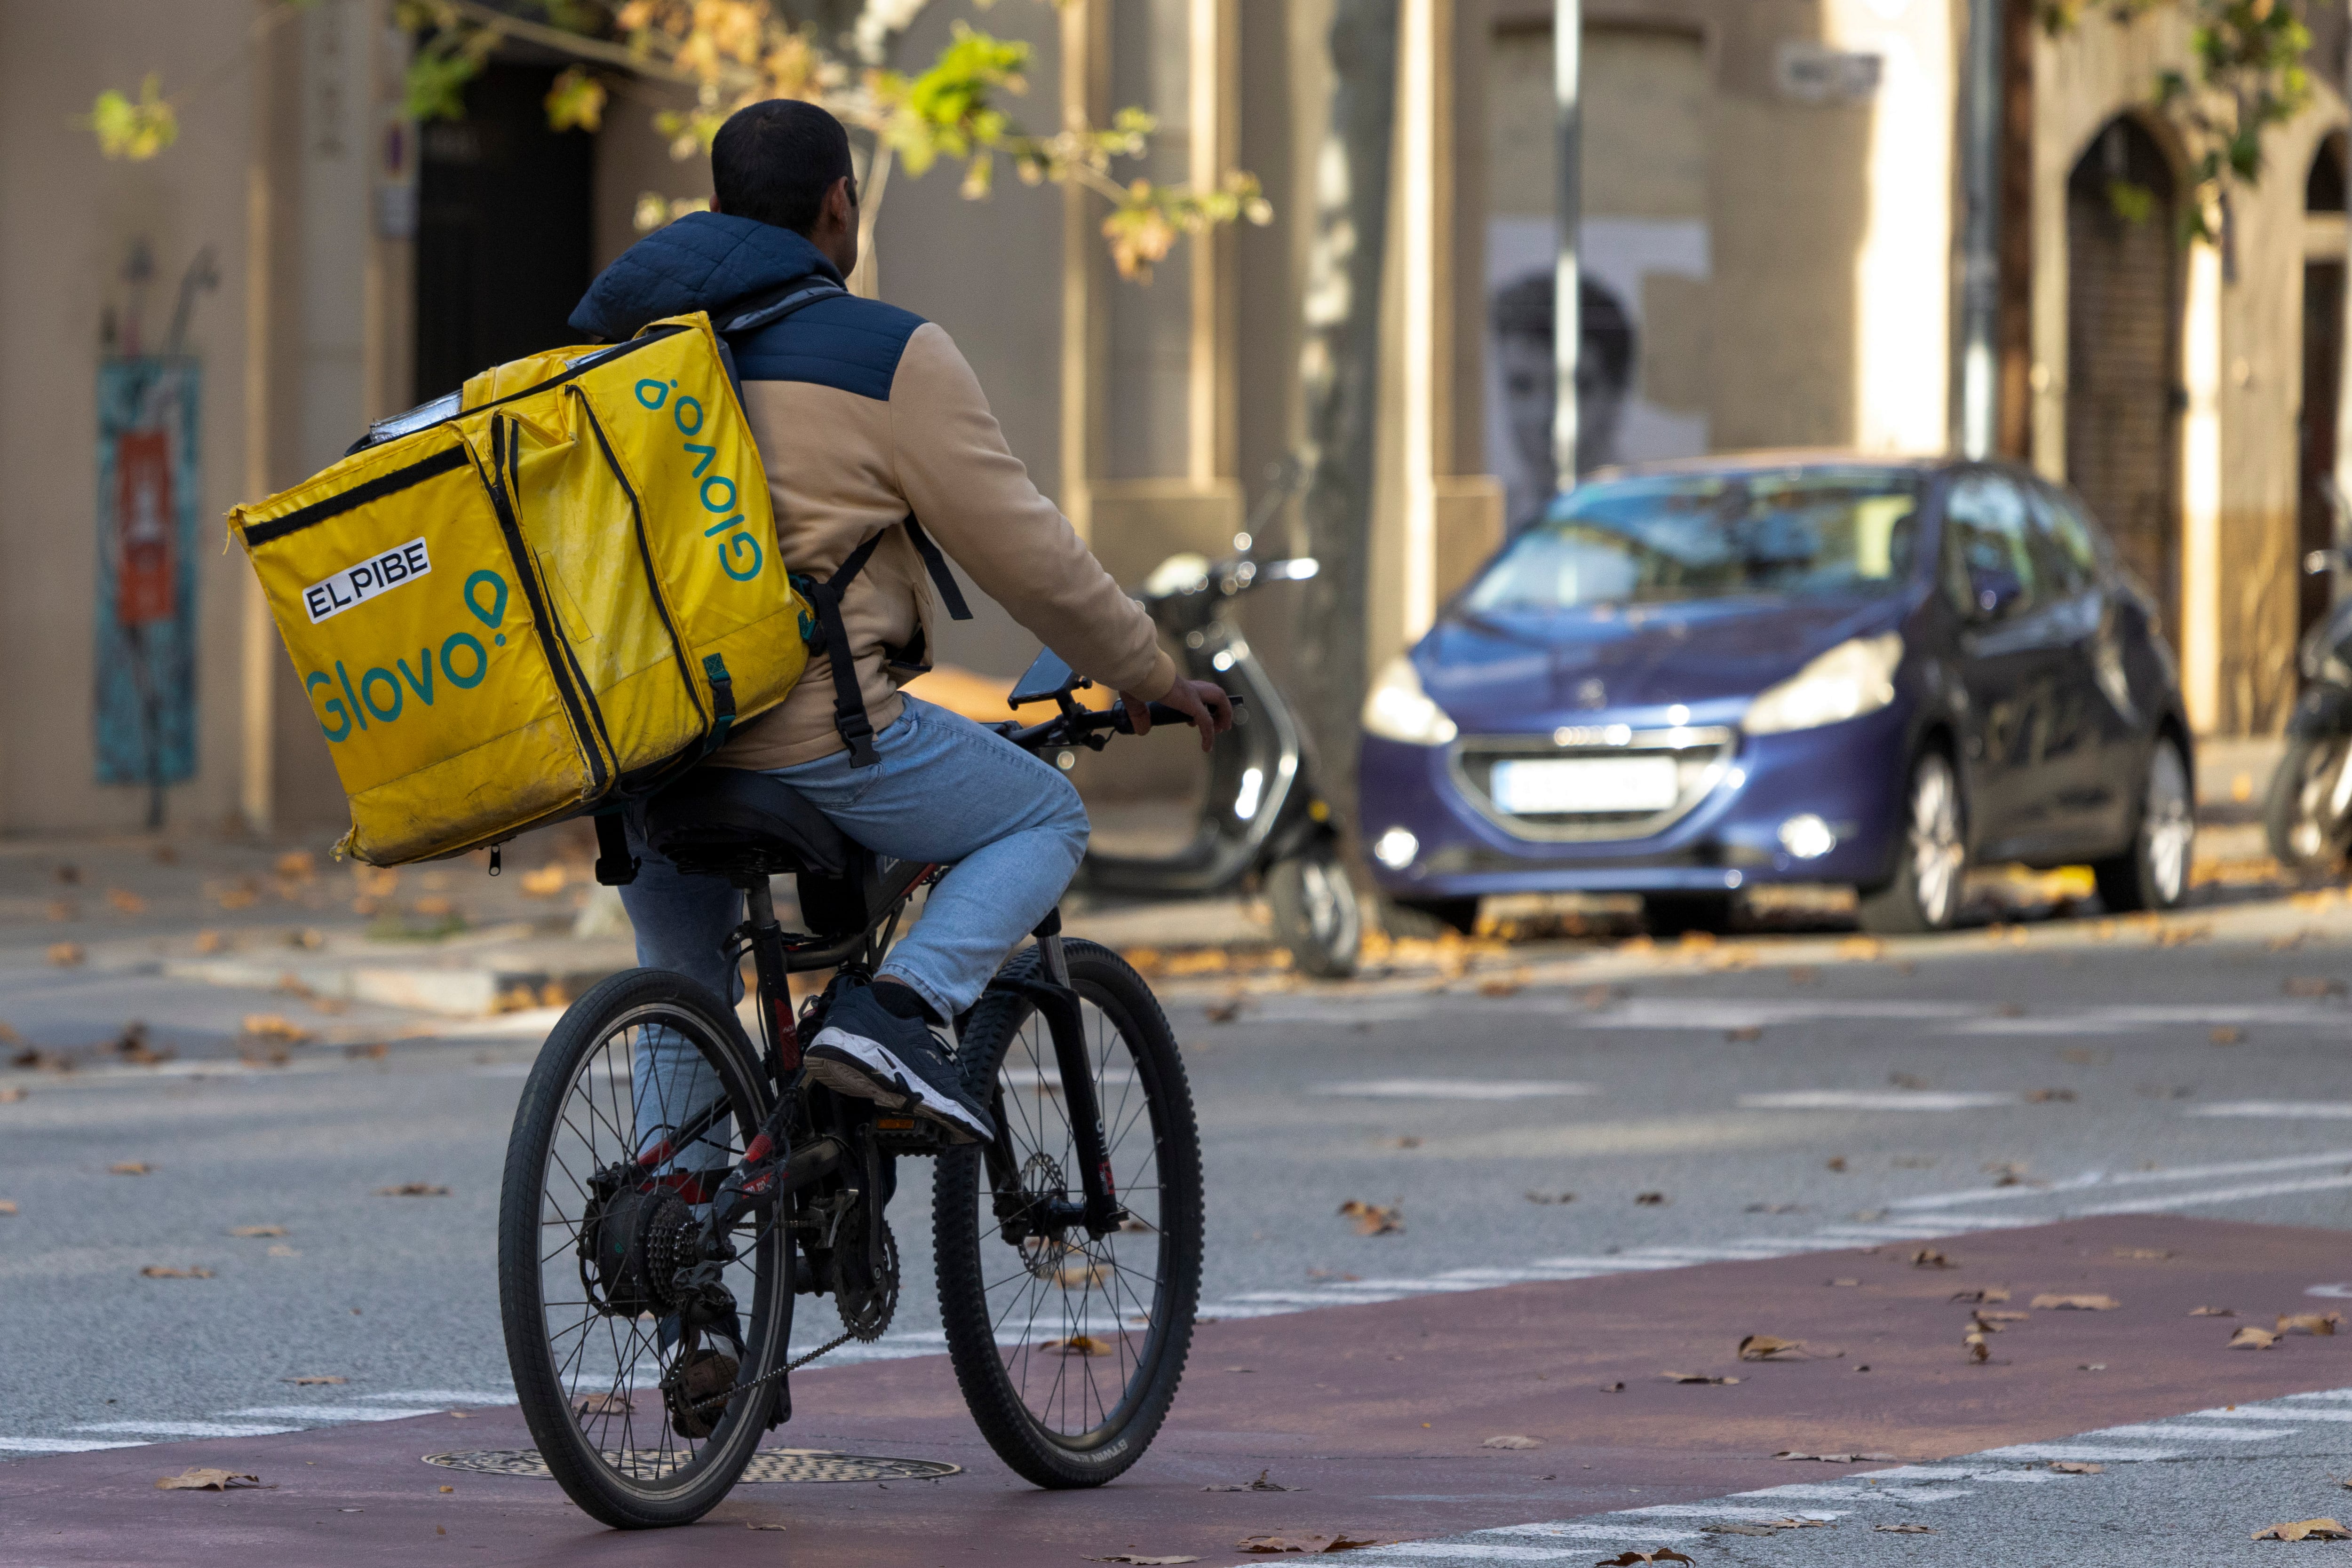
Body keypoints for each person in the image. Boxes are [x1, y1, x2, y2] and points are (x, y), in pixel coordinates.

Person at [568, 99, 1232, 1148]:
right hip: (813, 740)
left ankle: (667, 1238)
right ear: (842, 204)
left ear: (715, 211)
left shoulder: (622, 351)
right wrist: (1144, 667)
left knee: (682, 996)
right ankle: (898, 1012)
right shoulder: (884, 351)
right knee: (1042, 814)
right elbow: (1030, 555)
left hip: (646, 749)